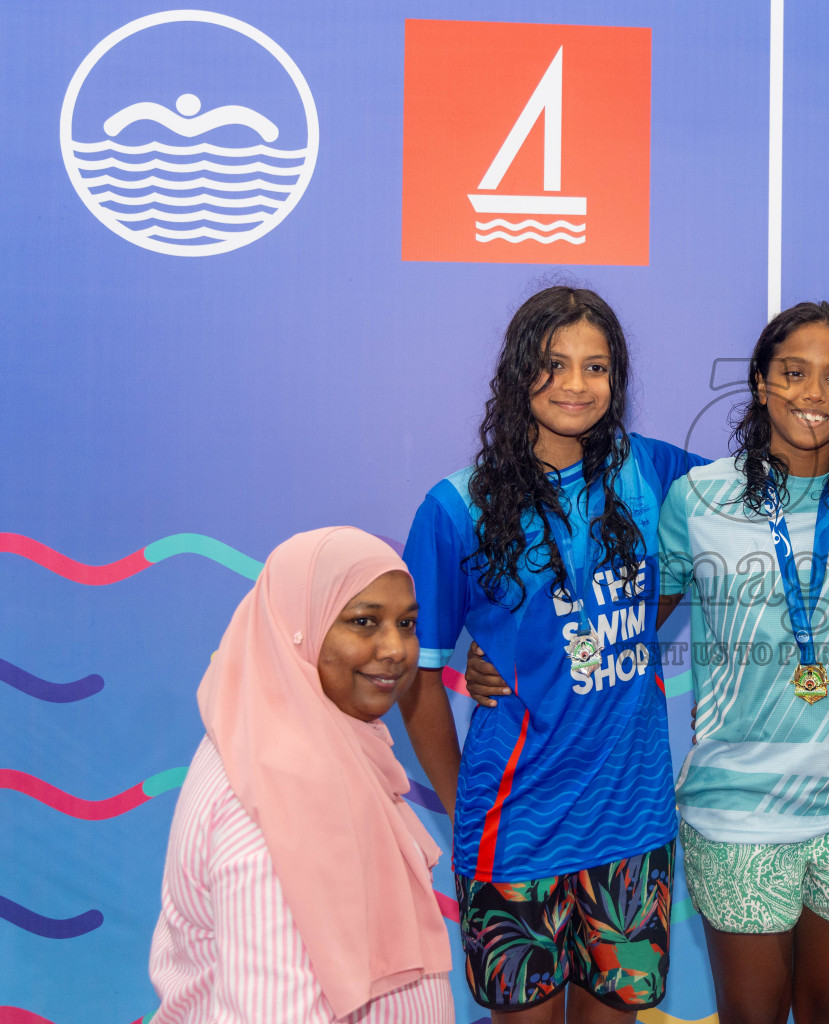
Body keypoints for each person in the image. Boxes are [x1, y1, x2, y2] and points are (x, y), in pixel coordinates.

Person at [399, 286, 705, 1021]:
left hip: (630, 827)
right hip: (513, 831)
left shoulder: (657, 472)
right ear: (517, 374)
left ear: (617, 380)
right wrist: (458, 804)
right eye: (554, 364)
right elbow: (416, 676)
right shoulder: (455, 505)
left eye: (595, 367)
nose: (576, 385)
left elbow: (773, 490)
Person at [656, 301, 829, 1024]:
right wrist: (511, 653)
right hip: (738, 809)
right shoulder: (699, 497)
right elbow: (634, 623)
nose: (812, 393)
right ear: (761, 383)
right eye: (793, 372)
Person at [149, 527, 452, 1023]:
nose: (396, 648)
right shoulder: (280, 796)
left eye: (407, 623)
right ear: (299, 627)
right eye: (363, 622)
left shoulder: (300, 741)